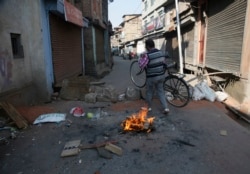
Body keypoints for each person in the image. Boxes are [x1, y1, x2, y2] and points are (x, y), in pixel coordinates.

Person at [144, 38, 169, 114]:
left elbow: (142, 65)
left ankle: (149, 108)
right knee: (161, 92)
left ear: (148, 46)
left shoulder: (147, 55)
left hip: (151, 77)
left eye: (146, 46)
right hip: (161, 76)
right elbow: (164, 63)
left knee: (149, 92)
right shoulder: (161, 52)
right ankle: (166, 108)